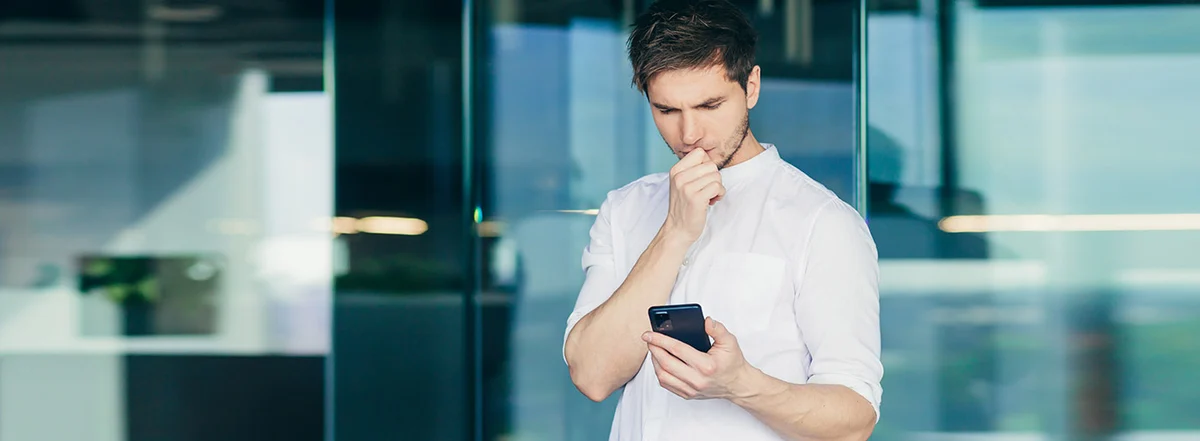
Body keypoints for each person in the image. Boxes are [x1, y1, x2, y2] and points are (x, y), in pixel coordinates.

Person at [561, 1, 883, 440]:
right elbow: (592, 376)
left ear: (751, 86)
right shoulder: (625, 209)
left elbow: (855, 420)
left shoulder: (822, 222)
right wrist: (675, 233)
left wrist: (740, 385)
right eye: (667, 110)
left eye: (709, 105)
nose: (689, 133)